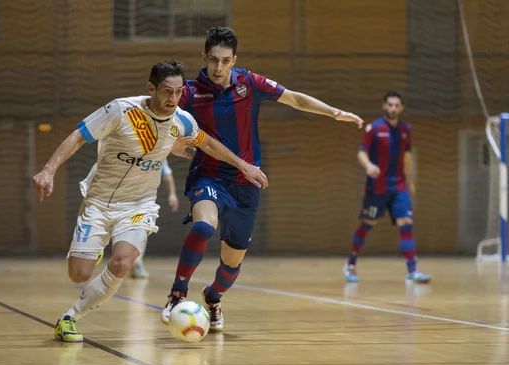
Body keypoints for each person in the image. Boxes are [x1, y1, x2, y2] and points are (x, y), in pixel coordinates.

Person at [32, 60, 268, 342]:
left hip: (139, 206)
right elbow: (78, 137)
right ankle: (91, 250)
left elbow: (208, 144)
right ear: (151, 89)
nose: (173, 99)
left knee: (122, 263)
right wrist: (49, 169)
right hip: (98, 202)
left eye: (179, 92)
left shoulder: (182, 120)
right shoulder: (121, 110)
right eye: (167, 92)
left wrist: (244, 165)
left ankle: (70, 317)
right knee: (79, 275)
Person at [161, 27, 364, 332]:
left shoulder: (249, 83)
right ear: (203, 57)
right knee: (204, 226)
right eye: (213, 60)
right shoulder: (190, 92)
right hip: (209, 177)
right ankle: (177, 293)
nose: (218, 67)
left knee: (231, 263)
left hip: (247, 184)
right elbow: (161, 119)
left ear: (234, 60)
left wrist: (334, 112)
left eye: (225, 61)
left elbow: (294, 98)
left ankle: (213, 299)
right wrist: (173, 141)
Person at [343, 91, 431, 283]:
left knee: (406, 223)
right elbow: (361, 153)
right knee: (368, 224)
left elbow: (406, 157)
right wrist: (369, 166)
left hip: (399, 186)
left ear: (401, 108)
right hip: (378, 187)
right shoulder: (374, 128)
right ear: (384, 106)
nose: (393, 108)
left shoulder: (406, 130)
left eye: (396, 105)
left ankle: (412, 270)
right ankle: (351, 264)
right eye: (390, 104)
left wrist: (410, 181)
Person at [130, 159, 179, 279]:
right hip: (122, 198)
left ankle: (137, 263)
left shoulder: (160, 151)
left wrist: (172, 194)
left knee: (142, 228)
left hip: (143, 200)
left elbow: (167, 175)